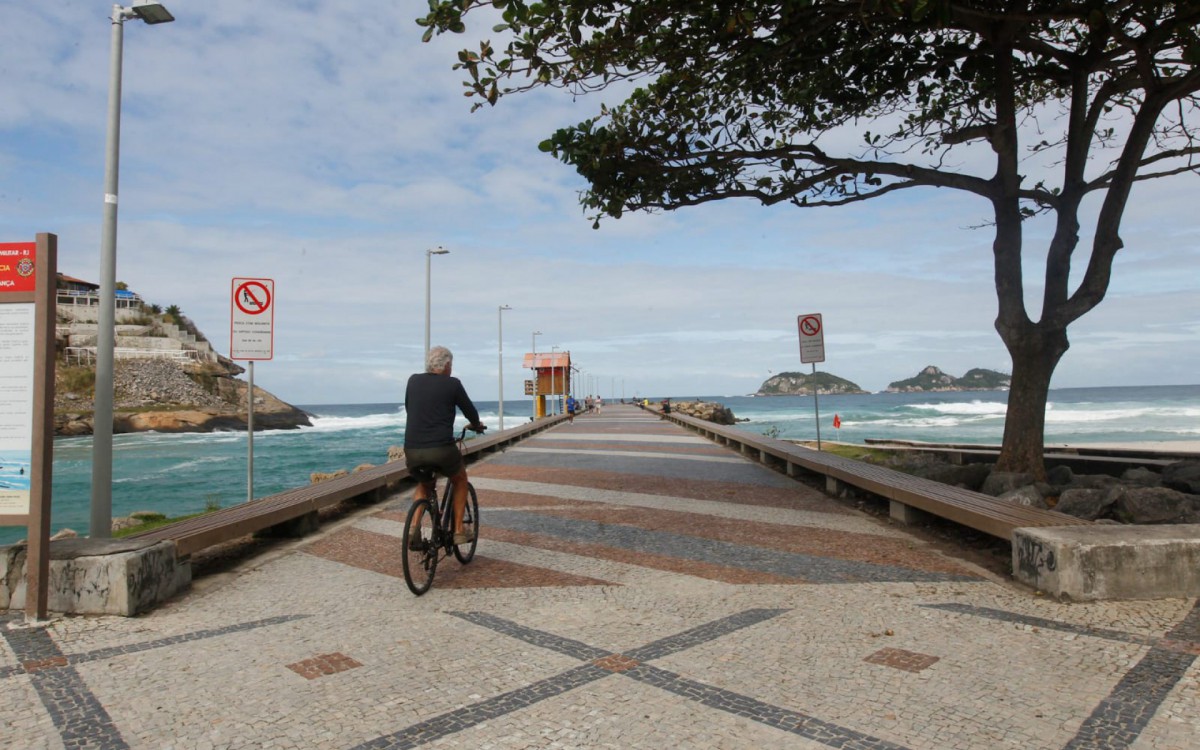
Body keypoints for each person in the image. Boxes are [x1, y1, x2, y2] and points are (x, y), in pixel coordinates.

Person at [404, 346, 486, 546]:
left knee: (424, 484)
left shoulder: (413, 381)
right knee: (460, 479)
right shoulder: (453, 384)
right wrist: (476, 425)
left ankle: (413, 529)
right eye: (451, 365)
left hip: (412, 449)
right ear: (447, 365)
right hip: (441, 449)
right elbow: (470, 411)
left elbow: (409, 407)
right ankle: (458, 530)